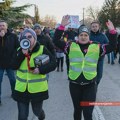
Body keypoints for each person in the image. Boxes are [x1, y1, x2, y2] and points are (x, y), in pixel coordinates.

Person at [53, 15, 117, 120]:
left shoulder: (97, 47)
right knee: (77, 111)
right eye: (81, 35)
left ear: (88, 36)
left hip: (90, 86)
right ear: (78, 36)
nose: (83, 37)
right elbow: (55, 40)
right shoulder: (70, 46)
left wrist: (113, 32)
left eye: (85, 35)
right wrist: (61, 27)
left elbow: (112, 46)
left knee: (88, 114)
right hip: (74, 85)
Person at [12, 28, 56, 120]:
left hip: (37, 88)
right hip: (21, 88)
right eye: (25, 37)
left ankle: (41, 115)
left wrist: (40, 70)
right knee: (22, 116)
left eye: (30, 36)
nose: (27, 38)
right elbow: (13, 66)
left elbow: (53, 64)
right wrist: (22, 54)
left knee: (37, 111)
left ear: (35, 38)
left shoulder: (42, 49)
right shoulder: (19, 49)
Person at [0, 20, 19, 105]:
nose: (1, 27)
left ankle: (14, 93)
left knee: (12, 80)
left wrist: (14, 58)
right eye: (0, 26)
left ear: (7, 26)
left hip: (10, 63)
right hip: (0, 63)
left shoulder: (13, 36)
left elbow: (17, 48)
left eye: (3, 25)